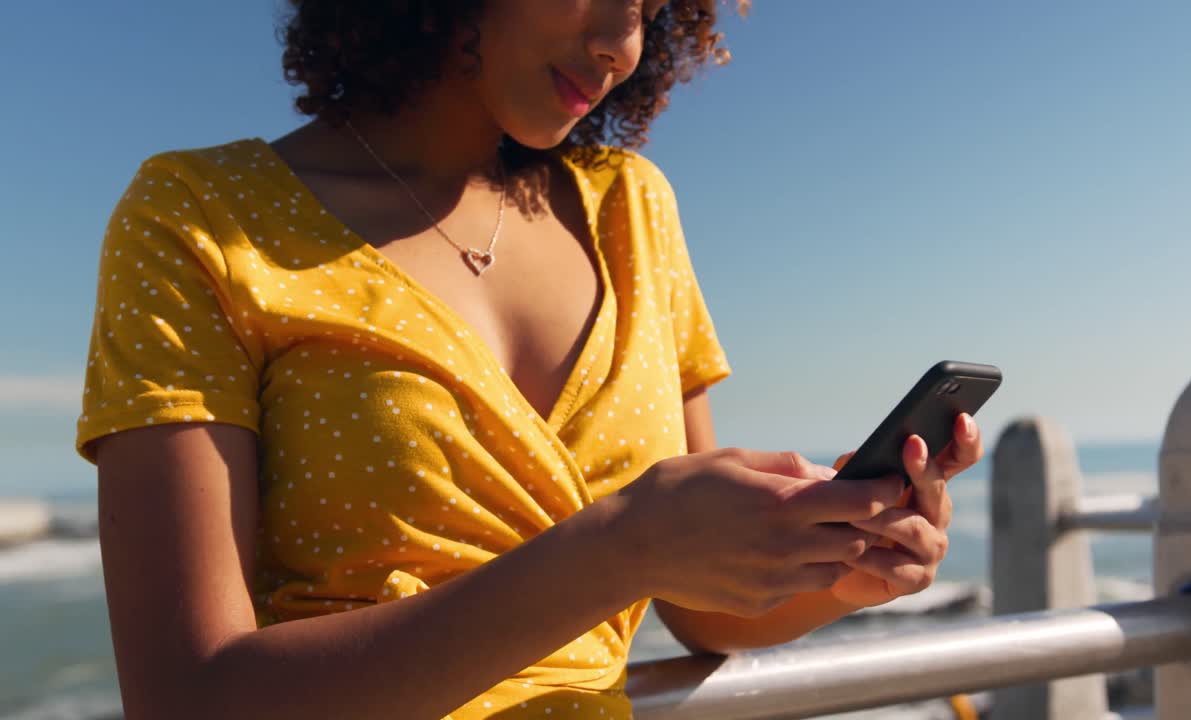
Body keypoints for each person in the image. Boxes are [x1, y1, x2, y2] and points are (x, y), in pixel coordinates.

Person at [74, 1, 983, 718]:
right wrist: (617, 549)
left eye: (651, 3)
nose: (622, 41)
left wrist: (843, 569)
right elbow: (189, 699)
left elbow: (700, 608)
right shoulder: (198, 220)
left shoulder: (631, 212)